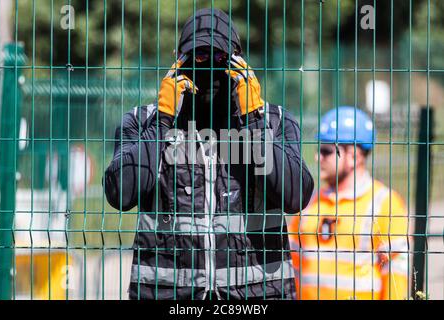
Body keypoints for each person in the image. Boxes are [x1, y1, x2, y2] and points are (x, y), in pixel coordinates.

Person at [103, 8, 314, 300]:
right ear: (179, 62)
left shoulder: (275, 121)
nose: (211, 66)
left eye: (220, 58)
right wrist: (163, 123)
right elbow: (120, 194)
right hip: (168, 294)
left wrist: (254, 121)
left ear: (239, 62)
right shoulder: (143, 122)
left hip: (258, 294)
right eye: (200, 57)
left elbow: (295, 197)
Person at [288, 106, 409, 300]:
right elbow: (291, 266)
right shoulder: (308, 203)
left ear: (354, 156)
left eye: (326, 151)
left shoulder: (385, 203)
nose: (317, 157)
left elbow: (396, 274)